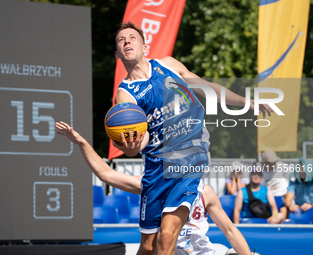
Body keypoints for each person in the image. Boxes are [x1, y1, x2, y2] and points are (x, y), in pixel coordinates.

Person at [112, 22, 273, 255]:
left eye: (132, 37)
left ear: (145, 47)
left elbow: (209, 88)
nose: (127, 41)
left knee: (166, 236)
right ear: (117, 54)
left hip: (189, 164)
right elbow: (139, 143)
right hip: (157, 170)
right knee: (148, 247)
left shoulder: (167, 65)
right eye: (121, 40)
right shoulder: (125, 94)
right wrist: (131, 147)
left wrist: (248, 103)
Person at [55, 121, 251, 255]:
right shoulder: (155, 184)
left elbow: (230, 230)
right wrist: (81, 142)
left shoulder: (205, 192)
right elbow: (106, 174)